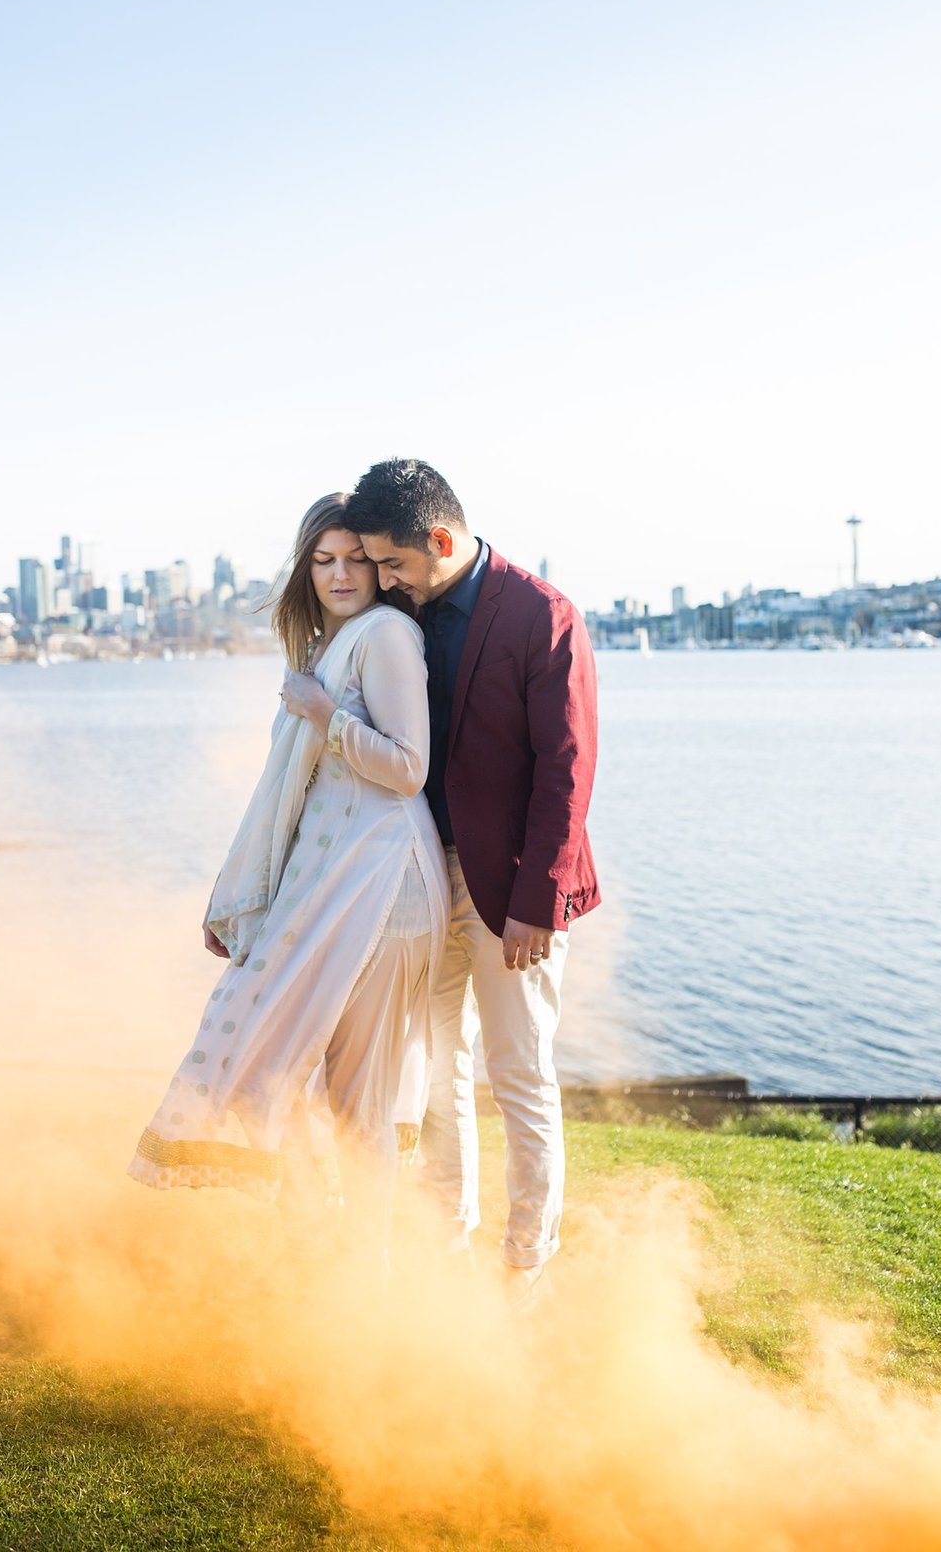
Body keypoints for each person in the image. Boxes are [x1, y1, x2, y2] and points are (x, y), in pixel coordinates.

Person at [128, 493, 449, 1259]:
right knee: (297, 1080)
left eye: (355, 559)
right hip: (331, 881)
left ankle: (361, 1289)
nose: (340, 574)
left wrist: (322, 715)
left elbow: (408, 768)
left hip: (383, 883)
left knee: (357, 1100)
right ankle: (323, 1265)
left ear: (379, 566)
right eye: (323, 560)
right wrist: (244, 899)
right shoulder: (324, 649)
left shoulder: (388, 634)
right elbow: (294, 800)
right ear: (306, 568)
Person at [344, 459, 599, 1304]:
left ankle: (525, 1262)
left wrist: (536, 906)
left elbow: (567, 772)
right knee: (435, 1066)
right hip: (419, 880)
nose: (383, 580)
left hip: (517, 890)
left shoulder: (542, 615)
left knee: (519, 1071)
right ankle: (446, 1248)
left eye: (393, 563)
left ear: (441, 541)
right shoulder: (397, 616)